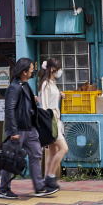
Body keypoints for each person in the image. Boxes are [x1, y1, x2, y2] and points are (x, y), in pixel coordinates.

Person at [0, 57, 59, 199]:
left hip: (29, 128)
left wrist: (33, 100)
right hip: (18, 129)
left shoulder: (24, 84)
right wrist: (13, 131)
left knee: (36, 153)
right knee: (10, 159)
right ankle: (3, 189)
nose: (33, 71)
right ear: (24, 72)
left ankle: (39, 187)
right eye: (31, 69)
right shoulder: (15, 87)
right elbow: (10, 109)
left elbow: (23, 104)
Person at [37, 58, 68, 190]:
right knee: (63, 148)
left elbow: (50, 100)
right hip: (51, 122)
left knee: (53, 151)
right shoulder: (45, 84)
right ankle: (50, 176)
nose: (60, 71)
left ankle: (46, 179)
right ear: (51, 69)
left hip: (55, 120)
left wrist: (59, 95)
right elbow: (44, 106)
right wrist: (48, 125)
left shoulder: (51, 83)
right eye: (58, 68)